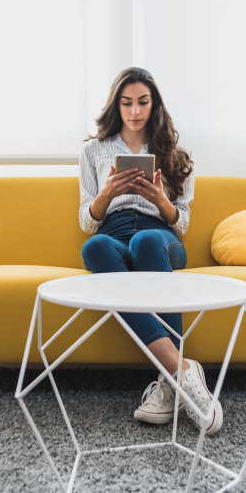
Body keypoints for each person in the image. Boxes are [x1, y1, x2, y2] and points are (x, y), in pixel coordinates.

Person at [78, 67, 222, 435]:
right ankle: (179, 373)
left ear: (154, 104)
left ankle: (168, 379)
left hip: (160, 237)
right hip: (113, 231)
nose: (135, 111)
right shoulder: (92, 151)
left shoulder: (173, 152)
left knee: (145, 242)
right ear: (117, 106)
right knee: (95, 246)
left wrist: (160, 199)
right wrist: (107, 194)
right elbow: (88, 222)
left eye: (143, 102)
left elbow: (182, 223)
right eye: (126, 103)